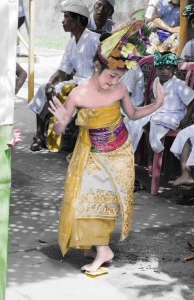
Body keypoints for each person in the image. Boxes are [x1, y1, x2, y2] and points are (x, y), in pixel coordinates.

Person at [48, 20, 165, 273]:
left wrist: (157, 104)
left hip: (119, 151)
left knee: (103, 200)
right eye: (111, 75)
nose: (114, 82)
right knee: (84, 197)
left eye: (119, 77)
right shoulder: (77, 94)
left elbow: (133, 114)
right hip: (91, 151)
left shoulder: (120, 89)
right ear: (97, 66)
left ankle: (103, 249)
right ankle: (97, 245)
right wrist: (60, 123)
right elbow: (58, 130)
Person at [28, 1, 100, 151]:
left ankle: (66, 135)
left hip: (91, 85)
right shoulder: (71, 44)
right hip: (75, 82)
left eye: (67, 17)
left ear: (78, 20)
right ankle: (40, 136)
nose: (63, 21)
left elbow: (103, 68)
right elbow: (62, 70)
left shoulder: (94, 40)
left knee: (69, 91)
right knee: (43, 89)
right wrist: (50, 83)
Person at [126, 51, 194, 174]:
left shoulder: (178, 84)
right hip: (159, 112)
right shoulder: (157, 80)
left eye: (167, 68)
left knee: (155, 122)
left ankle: (154, 154)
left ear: (173, 69)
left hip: (174, 114)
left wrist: (185, 119)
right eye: (160, 68)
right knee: (136, 121)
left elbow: (192, 100)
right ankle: (149, 157)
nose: (163, 71)